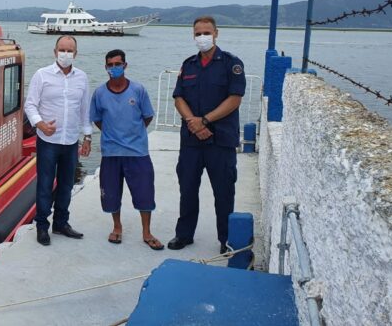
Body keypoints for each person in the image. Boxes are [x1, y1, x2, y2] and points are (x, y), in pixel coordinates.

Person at [168, 16, 246, 254]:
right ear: (193, 36)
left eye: (206, 32)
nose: (202, 37)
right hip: (191, 141)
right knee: (188, 188)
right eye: (198, 33)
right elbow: (178, 97)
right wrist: (193, 123)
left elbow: (235, 99)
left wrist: (204, 121)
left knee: (223, 192)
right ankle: (184, 235)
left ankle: (226, 239)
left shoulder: (231, 64)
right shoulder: (189, 64)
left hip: (220, 140)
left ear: (216, 33)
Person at [90, 49, 164, 250]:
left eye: (118, 64)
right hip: (111, 153)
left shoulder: (138, 90)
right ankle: (117, 226)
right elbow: (97, 119)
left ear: (125, 65)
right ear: (106, 68)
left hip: (137, 152)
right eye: (110, 65)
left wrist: (133, 132)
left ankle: (146, 232)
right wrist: (112, 134)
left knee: (144, 192)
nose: (114, 68)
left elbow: (147, 116)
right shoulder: (99, 93)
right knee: (111, 193)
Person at [24, 35, 93, 246]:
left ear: (76, 54)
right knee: (45, 184)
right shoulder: (41, 75)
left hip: (71, 140)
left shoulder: (81, 78)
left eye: (69, 50)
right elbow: (30, 105)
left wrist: (87, 136)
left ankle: (61, 223)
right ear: (55, 52)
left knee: (66, 184)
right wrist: (40, 124)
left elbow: (84, 110)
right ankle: (42, 226)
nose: (65, 54)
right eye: (62, 50)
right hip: (47, 140)